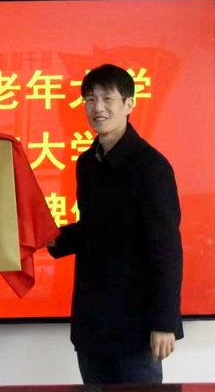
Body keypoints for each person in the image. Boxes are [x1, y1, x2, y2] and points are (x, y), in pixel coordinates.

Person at [47, 64, 183, 384]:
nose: (98, 107)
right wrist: (50, 237)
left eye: (107, 98)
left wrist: (164, 323)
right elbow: (97, 228)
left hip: (136, 328)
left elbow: (166, 250)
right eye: (90, 99)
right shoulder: (87, 163)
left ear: (129, 104)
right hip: (92, 324)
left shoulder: (151, 166)